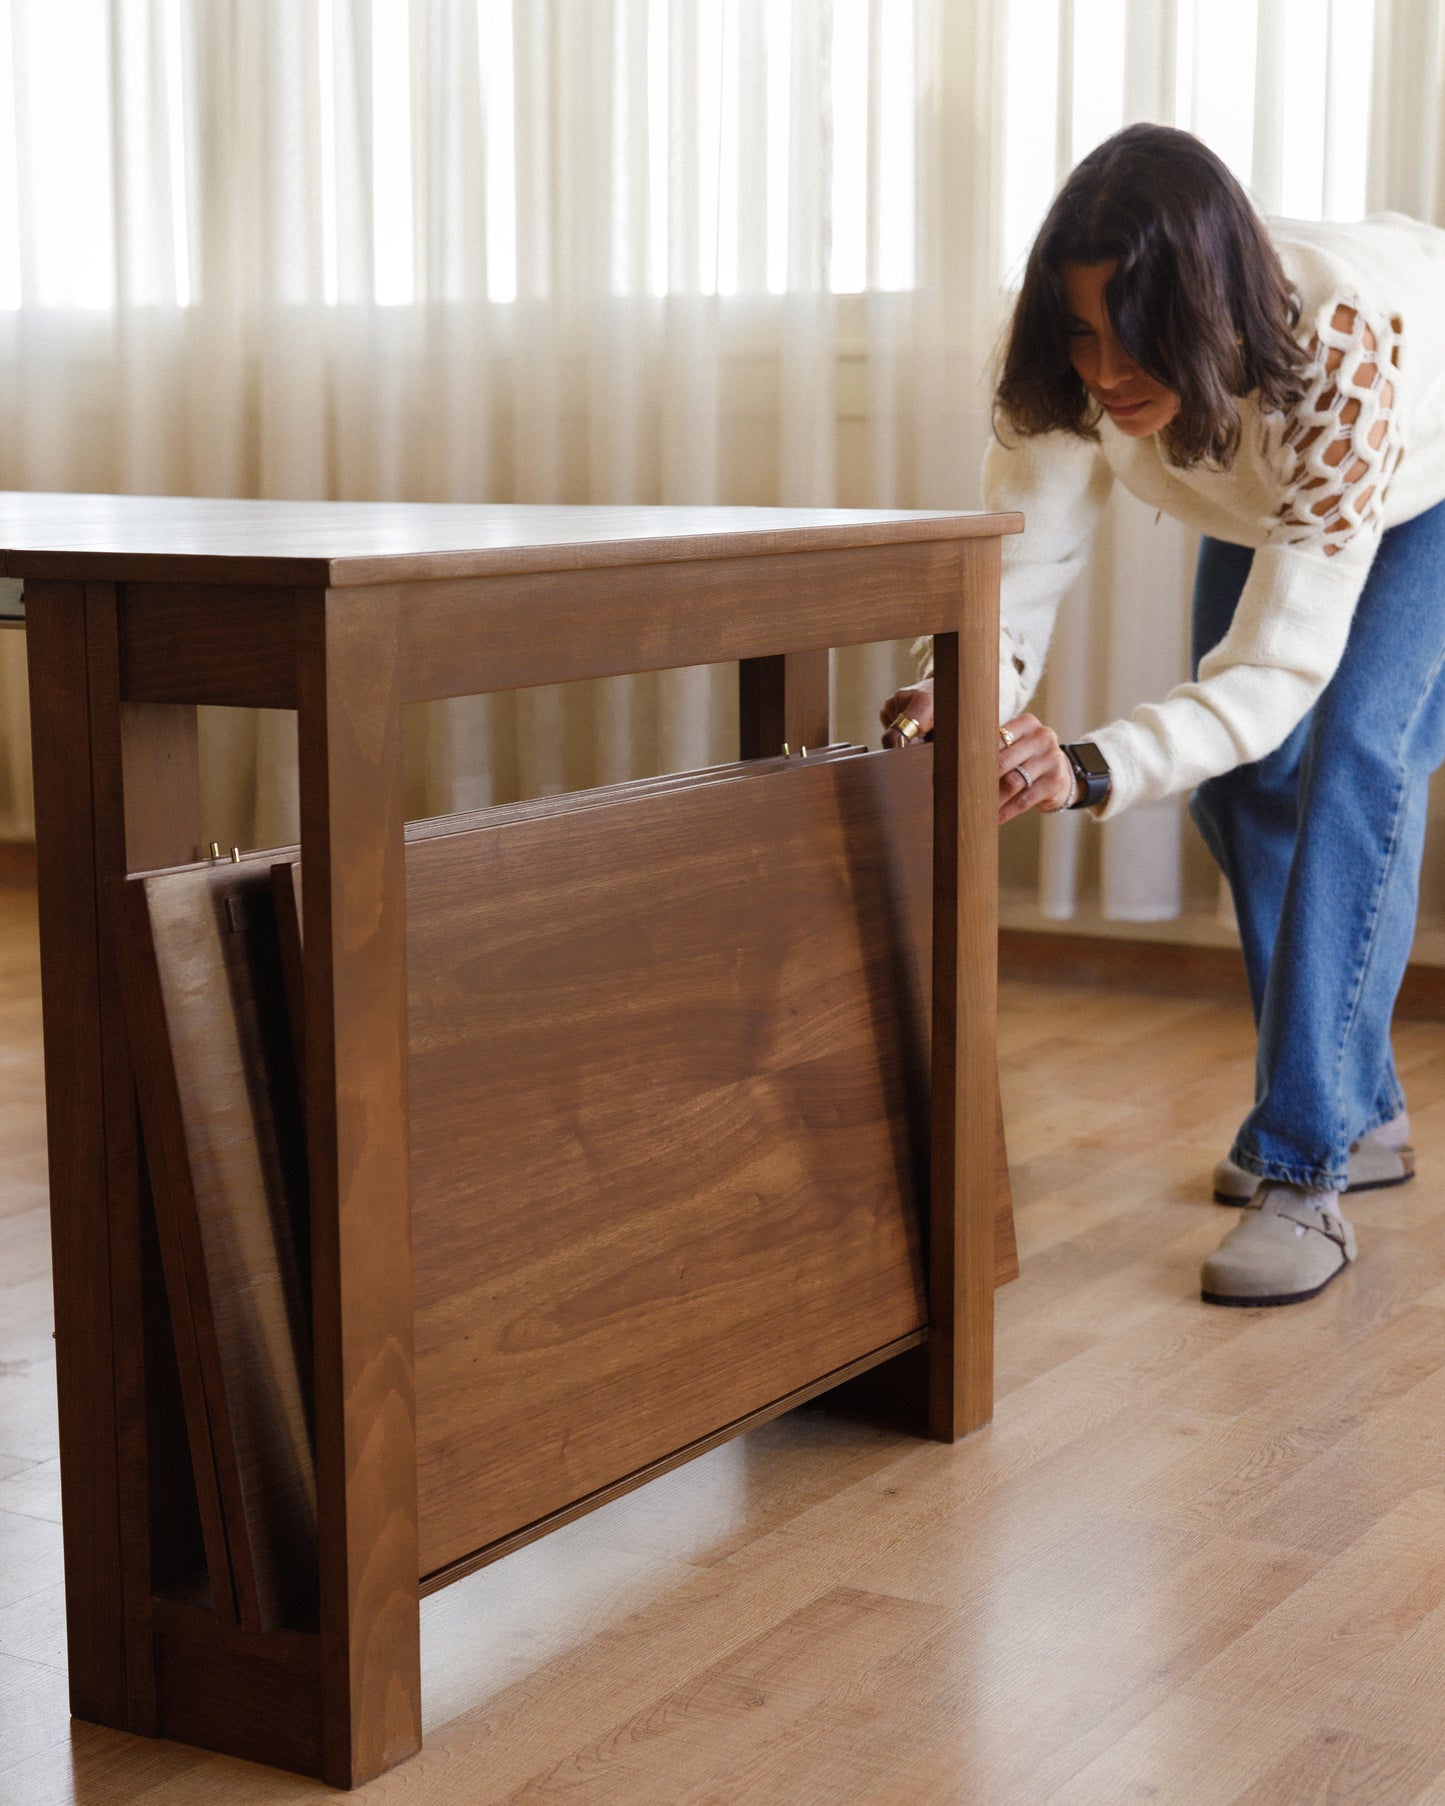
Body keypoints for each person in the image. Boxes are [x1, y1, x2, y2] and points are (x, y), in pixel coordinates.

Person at [881, 123, 1445, 1308]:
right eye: (1082, 331)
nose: (1101, 369)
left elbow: (1274, 675)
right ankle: (1365, 1112)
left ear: (1206, 310)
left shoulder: (1340, 365)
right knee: (1241, 786)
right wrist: (953, 695)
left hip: (1421, 466)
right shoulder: (1060, 355)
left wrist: (1087, 766)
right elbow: (1016, 575)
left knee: (1345, 759)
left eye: (1132, 335)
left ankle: (1305, 1165)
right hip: (1272, 492)